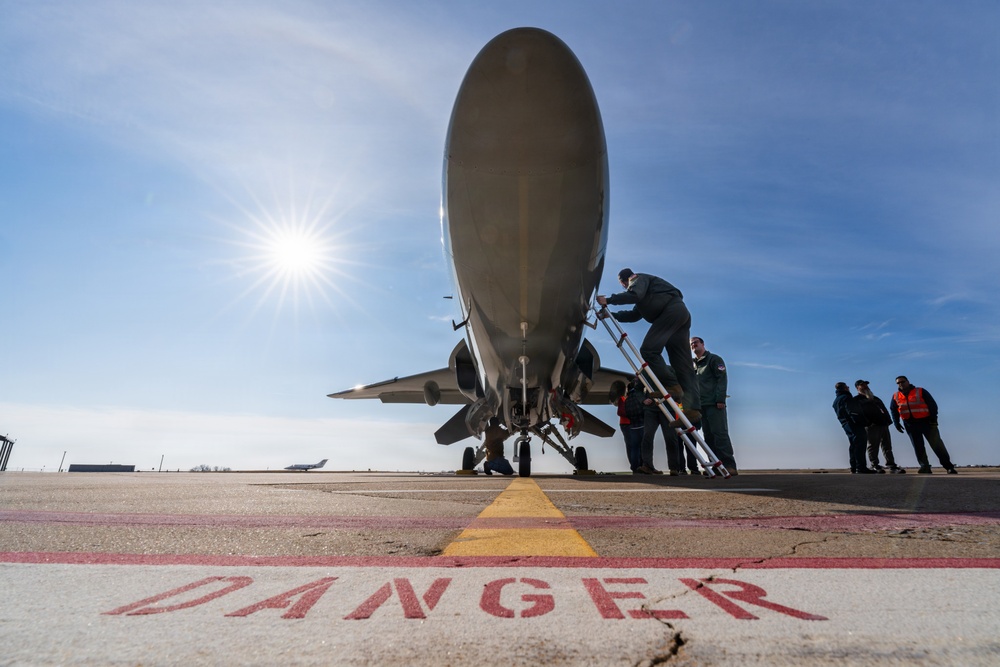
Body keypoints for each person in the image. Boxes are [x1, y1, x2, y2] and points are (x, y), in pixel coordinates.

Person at [597, 269, 700, 427]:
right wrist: (612, 315)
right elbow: (633, 315)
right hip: (679, 315)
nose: (625, 288)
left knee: (649, 350)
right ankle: (692, 410)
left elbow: (634, 295)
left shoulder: (637, 280)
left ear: (624, 281)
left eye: (623, 285)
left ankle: (673, 385)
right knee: (682, 365)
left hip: (671, 312)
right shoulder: (646, 294)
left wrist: (609, 300)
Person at [890, 376, 957, 474]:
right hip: (910, 424)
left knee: (937, 445)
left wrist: (934, 419)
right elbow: (893, 410)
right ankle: (925, 466)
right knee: (918, 447)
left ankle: (948, 467)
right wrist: (896, 423)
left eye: (903, 382)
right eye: (898, 383)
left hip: (926, 422)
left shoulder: (920, 391)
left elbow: (932, 405)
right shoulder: (896, 396)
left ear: (908, 381)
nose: (901, 384)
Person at [690, 336, 738, 474]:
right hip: (701, 405)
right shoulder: (694, 365)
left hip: (715, 404)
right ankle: (717, 465)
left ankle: (729, 466)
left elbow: (722, 379)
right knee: (708, 436)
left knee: (720, 434)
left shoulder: (714, 360)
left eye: (696, 343)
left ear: (703, 344)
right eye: (691, 344)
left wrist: (720, 399)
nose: (693, 345)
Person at [854, 380, 904, 474]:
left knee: (887, 446)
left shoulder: (875, 398)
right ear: (857, 388)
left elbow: (884, 409)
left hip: (883, 424)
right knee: (873, 446)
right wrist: (867, 423)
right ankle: (874, 465)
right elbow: (858, 414)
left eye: (866, 385)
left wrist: (888, 421)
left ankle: (891, 465)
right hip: (871, 426)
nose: (865, 386)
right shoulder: (857, 400)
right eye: (862, 385)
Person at [833, 382, 874, 473]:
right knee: (860, 445)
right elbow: (853, 412)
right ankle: (861, 467)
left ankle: (854, 467)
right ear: (845, 388)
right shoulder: (847, 397)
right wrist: (863, 422)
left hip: (845, 424)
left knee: (853, 445)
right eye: (847, 387)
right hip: (854, 424)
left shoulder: (836, 400)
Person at [622, 379, 646, 473]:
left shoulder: (627, 399)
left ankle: (634, 467)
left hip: (632, 426)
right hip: (641, 425)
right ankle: (644, 466)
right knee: (643, 447)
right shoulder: (639, 397)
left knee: (634, 448)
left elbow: (626, 412)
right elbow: (641, 409)